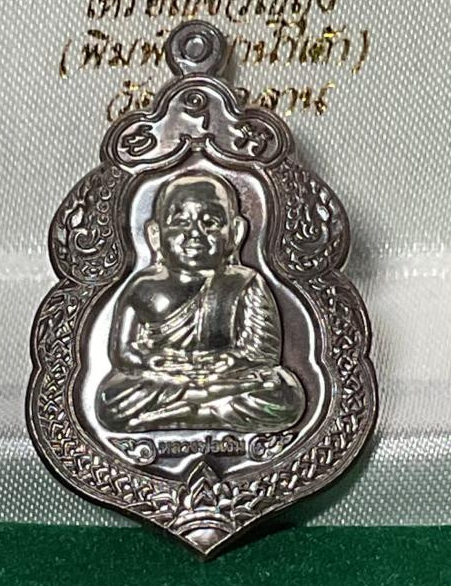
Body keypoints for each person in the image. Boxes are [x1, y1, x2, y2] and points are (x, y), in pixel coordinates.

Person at [96, 172, 305, 433]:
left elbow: (264, 352)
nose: (195, 233)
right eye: (180, 222)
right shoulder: (143, 287)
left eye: (211, 222)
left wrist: (229, 361)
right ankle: (202, 409)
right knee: (110, 399)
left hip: (225, 377)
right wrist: (156, 362)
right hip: (165, 380)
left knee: (282, 392)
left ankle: (182, 413)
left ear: (235, 233)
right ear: (155, 235)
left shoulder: (243, 282)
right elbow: (122, 353)